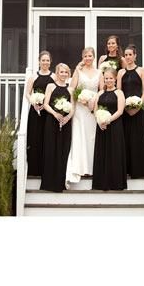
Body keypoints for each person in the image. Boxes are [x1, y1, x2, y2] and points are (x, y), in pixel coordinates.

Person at [65, 47, 100, 185]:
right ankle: (80, 168)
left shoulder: (99, 73)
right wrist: (81, 99)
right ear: (82, 57)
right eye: (85, 56)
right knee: (79, 136)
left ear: (94, 57)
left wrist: (93, 102)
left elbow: (102, 90)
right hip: (80, 109)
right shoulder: (78, 72)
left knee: (91, 137)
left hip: (92, 109)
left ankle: (91, 168)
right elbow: (71, 89)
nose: (88, 58)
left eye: (90, 56)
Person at [117, 44, 144, 178]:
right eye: (126, 55)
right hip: (125, 110)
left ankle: (140, 171)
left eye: (130, 54)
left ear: (135, 56)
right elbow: (119, 91)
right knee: (126, 138)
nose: (128, 57)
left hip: (139, 109)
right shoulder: (121, 72)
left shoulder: (142, 70)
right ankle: (126, 170)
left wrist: (139, 104)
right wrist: (124, 106)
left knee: (138, 138)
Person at [91, 68, 128, 191]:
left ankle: (115, 182)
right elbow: (95, 109)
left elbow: (120, 111)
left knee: (114, 152)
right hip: (101, 126)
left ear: (115, 78)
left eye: (110, 78)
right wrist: (99, 120)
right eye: (106, 78)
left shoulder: (119, 93)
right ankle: (101, 182)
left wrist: (108, 120)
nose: (108, 80)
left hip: (115, 126)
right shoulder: (100, 93)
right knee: (102, 152)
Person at [40, 63, 74, 192]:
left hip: (65, 123)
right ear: (57, 73)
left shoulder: (70, 89)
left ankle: (60, 182)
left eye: (66, 72)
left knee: (62, 150)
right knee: (51, 149)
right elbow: (46, 104)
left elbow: (73, 108)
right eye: (61, 72)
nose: (64, 74)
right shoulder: (50, 86)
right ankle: (49, 182)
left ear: (68, 74)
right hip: (52, 121)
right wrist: (55, 114)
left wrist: (66, 118)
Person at [24, 51, 55, 176]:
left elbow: (55, 91)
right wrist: (34, 102)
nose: (45, 62)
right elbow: (27, 93)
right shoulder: (33, 77)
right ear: (39, 61)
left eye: (47, 60)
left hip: (48, 111)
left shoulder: (53, 77)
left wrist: (46, 104)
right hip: (35, 111)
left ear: (50, 62)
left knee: (46, 138)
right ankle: (34, 169)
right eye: (43, 60)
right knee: (35, 138)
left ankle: (46, 169)